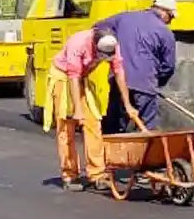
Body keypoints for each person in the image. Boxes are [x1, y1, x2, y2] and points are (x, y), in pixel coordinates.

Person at [43, 29, 136, 192]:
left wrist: (128, 104)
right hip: (64, 78)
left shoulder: (112, 44)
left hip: (82, 77)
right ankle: (70, 174)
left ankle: (97, 173)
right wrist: (77, 109)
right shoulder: (77, 44)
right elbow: (73, 77)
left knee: (93, 124)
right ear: (95, 44)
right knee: (67, 126)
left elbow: (119, 72)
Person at [96, 0, 179, 133]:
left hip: (118, 79)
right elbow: (168, 66)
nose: (170, 22)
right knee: (146, 127)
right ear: (165, 12)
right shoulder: (165, 32)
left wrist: (109, 50)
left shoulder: (124, 18)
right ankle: (142, 153)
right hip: (145, 83)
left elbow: (98, 28)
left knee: (114, 126)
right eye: (171, 17)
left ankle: (112, 151)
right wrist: (157, 82)